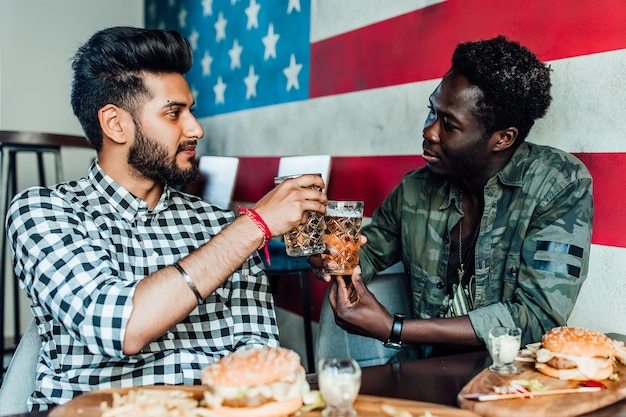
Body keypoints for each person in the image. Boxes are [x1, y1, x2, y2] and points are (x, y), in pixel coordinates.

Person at [5, 26, 327, 410]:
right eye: (174, 113)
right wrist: (254, 225)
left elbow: (258, 352)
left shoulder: (219, 225)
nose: (196, 129)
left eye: (191, 110)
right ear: (115, 124)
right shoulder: (44, 213)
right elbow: (122, 326)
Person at [311, 35, 593, 365]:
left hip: (511, 380)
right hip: (426, 369)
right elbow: (367, 254)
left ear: (503, 138)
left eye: (449, 123)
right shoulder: (415, 189)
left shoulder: (558, 183)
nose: (429, 132)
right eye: (432, 112)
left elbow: (536, 318)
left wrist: (395, 328)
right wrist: (328, 256)